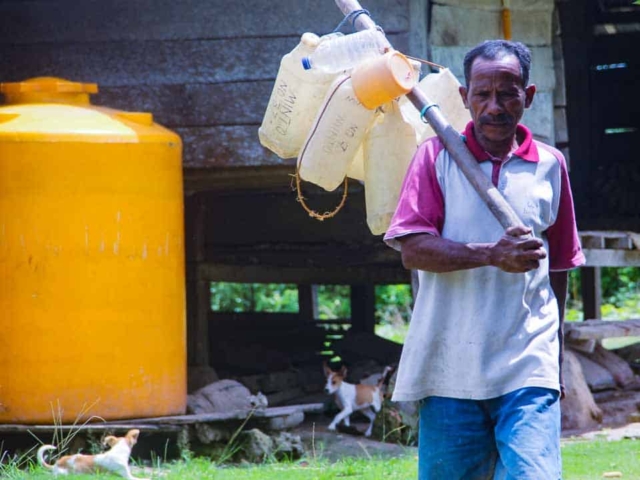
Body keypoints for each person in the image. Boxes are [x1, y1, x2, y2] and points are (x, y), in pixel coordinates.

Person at [384, 40, 585, 479]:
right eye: (482, 94)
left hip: (527, 364)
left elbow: (560, 267)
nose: (495, 106)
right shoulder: (435, 158)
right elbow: (413, 249)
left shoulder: (550, 166)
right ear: (464, 98)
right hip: (449, 368)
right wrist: (491, 254)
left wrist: (555, 358)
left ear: (528, 97)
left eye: (508, 93)